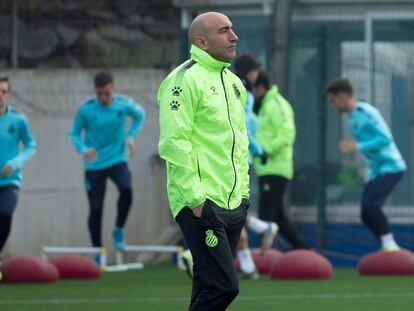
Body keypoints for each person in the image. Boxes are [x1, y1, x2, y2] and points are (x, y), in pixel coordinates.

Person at [158, 12, 249, 311]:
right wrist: (196, 199)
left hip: (233, 203)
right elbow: (174, 143)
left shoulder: (235, 84)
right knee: (225, 287)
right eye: (224, 31)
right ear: (201, 41)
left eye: (232, 30)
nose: (233, 36)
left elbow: (239, 146)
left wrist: (244, 196)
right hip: (200, 203)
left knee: (208, 286)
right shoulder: (182, 80)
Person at [324, 78, 406, 251]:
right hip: (377, 170)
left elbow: (385, 138)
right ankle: (388, 245)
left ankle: (390, 245)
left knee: (371, 206)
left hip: (391, 167)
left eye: (333, 100)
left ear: (343, 95)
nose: (333, 105)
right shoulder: (352, 118)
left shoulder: (367, 112)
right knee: (365, 214)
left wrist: (357, 146)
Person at [70, 72, 145, 258]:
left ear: (113, 88)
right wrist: (82, 149)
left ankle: (118, 228)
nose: (103, 98)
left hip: (117, 159)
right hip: (94, 164)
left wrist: (131, 137)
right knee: (96, 208)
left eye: (106, 93)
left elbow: (140, 115)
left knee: (126, 189)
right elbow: (74, 133)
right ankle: (98, 250)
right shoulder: (86, 109)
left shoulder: (123, 104)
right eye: (99, 94)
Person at [234, 54, 278, 278]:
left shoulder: (240, 92)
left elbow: (241, 128)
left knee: (230, 208)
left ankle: (248, 264)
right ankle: (261, 231)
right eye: (254, 69)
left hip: (237, 158)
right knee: (229, 209)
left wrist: (258, 150)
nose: (257, 73)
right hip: (238, 157)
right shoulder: (244, 93)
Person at [253, 71, 308, 249]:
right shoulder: (262, 105)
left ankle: (266, 254)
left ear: (260, 87)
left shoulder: (278, 104)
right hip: (266, 167)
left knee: (266, 214)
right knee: (277, 216)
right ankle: (302, 249)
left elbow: (286, 135)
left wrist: (265, 151)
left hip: (276, 167)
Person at [0, 77, 36, 260]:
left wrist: (14, 164)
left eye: (3, 91)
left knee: (5, 213)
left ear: (9, 94)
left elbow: (31, 145)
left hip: (9, 180)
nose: (0, 96)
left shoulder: (18, 119)